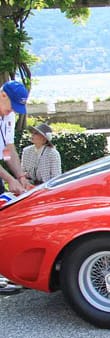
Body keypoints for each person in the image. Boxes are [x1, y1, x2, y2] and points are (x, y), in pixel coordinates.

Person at [0, 80, 29, 295]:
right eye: (11, 105)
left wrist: (20, 175)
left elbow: (7, 150)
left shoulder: (7, 115)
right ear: (2, 95)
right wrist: (10, 179)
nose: (12, 111)